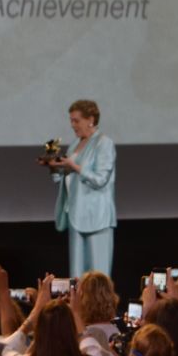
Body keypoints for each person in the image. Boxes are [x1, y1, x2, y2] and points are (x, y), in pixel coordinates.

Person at [45, 100, 116, 276]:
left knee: (99, 275)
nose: (72, 125)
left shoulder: (103, 143)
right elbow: (64, 179)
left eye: (76, 120)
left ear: (90, 119)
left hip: (97, 218)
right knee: (77, 277)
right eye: (71, 120)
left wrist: (74, 166)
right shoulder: (74, 145)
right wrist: (54, 166)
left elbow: (100, 179)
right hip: (76, 216)